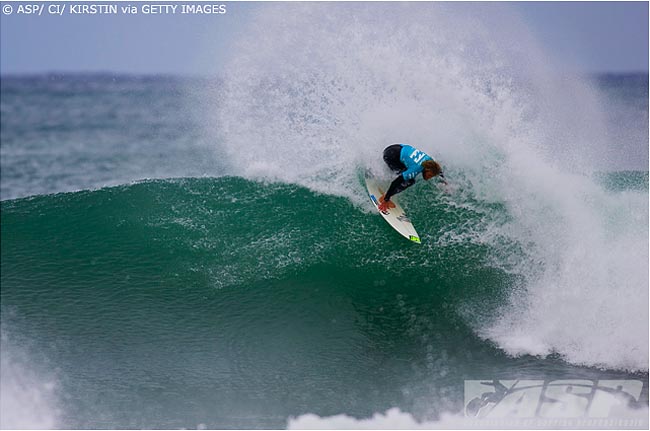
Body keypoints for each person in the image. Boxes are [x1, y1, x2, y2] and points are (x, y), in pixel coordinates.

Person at [377, 144, 446, 212]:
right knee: (410, 181)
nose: (429, 177)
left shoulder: (429, 161)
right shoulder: (415, 169)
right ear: (427, 169)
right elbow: (395, 182)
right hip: (390, 156)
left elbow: (438, 170)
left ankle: (387, 192)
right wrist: (386, 200)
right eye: (430, 175)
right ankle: (385, 197)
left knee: (405, 171)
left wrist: (444, 182)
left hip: (396, 147)